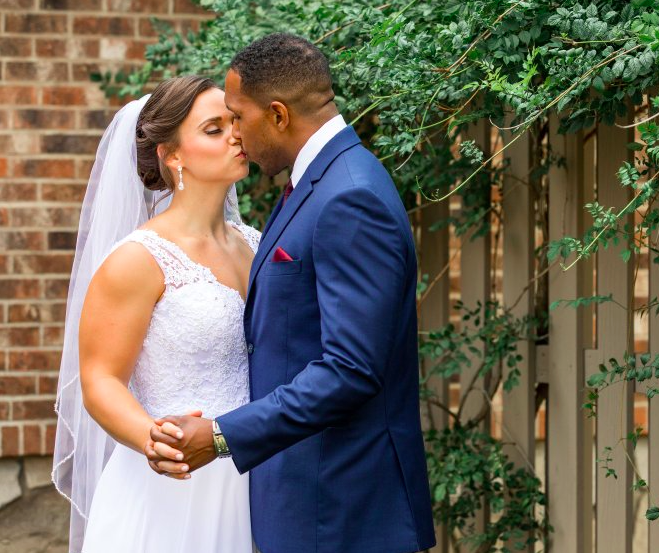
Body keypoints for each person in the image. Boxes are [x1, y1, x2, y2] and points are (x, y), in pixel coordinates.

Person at [147, 33, 437, 553]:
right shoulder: (316, 183)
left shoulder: (348, 197)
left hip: (344, 513)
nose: (235, 132)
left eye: (238, 116)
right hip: (309, 503)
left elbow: (350, 370)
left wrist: (219, 436)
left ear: (278, 115)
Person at [51, 75, 259, 553]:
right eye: (213, 128)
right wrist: (155, 439)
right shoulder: (138, 258)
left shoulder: (256, 243)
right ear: (172, 154)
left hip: (250, 471)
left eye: (234, 122)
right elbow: (100, 379)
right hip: (173, 481)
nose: (235, 135)